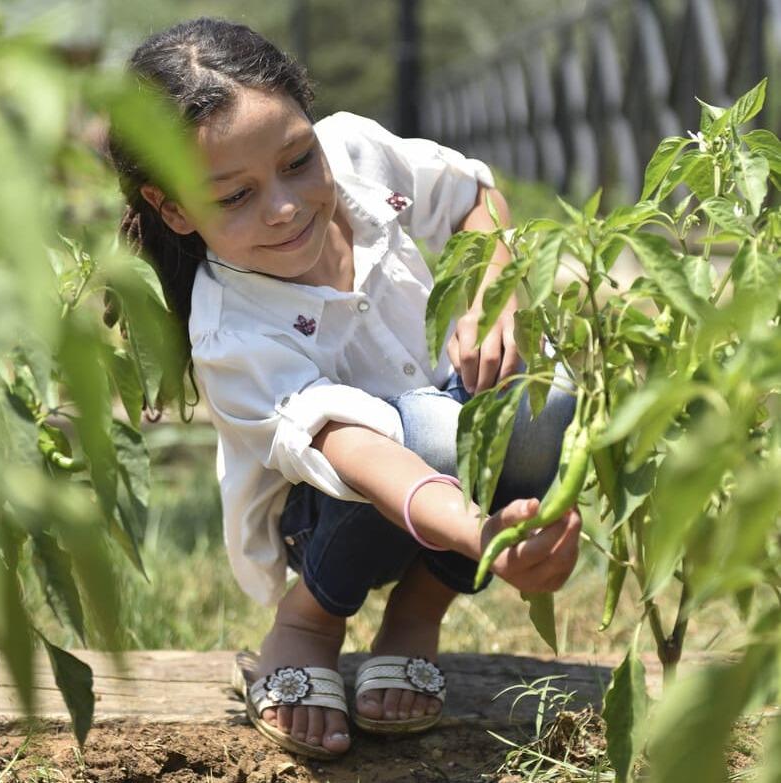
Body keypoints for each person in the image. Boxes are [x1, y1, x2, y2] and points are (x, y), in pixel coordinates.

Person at [107, 17, 582, 761]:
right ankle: (309, 623)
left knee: (541, 395)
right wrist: (480, 536)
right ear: (173, 209)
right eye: (232, 197)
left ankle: (416, 611)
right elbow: (352, 447)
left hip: (439, 445)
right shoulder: (230, 330)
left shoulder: (358, 151)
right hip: (325, 511)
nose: (285, 206)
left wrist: (497, 288)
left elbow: (472, 193)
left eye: (298, 160)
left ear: (311, 120)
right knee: (422, 431)